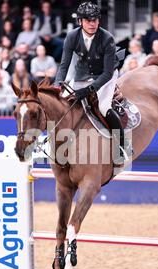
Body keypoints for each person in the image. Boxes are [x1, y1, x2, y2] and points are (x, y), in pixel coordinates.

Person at [53, 1, 128, 165]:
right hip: (83, 73)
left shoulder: (107, 38)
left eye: (94, 20)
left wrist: (88, 90)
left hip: (105, 75)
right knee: (62, 103)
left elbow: (107, 73)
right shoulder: (72, 36)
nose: (92, 23)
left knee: (103, 107)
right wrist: (58, 85)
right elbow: (64, 65)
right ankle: (56, 144)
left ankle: (122, 146)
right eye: (88, 20)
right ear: (80, 21)